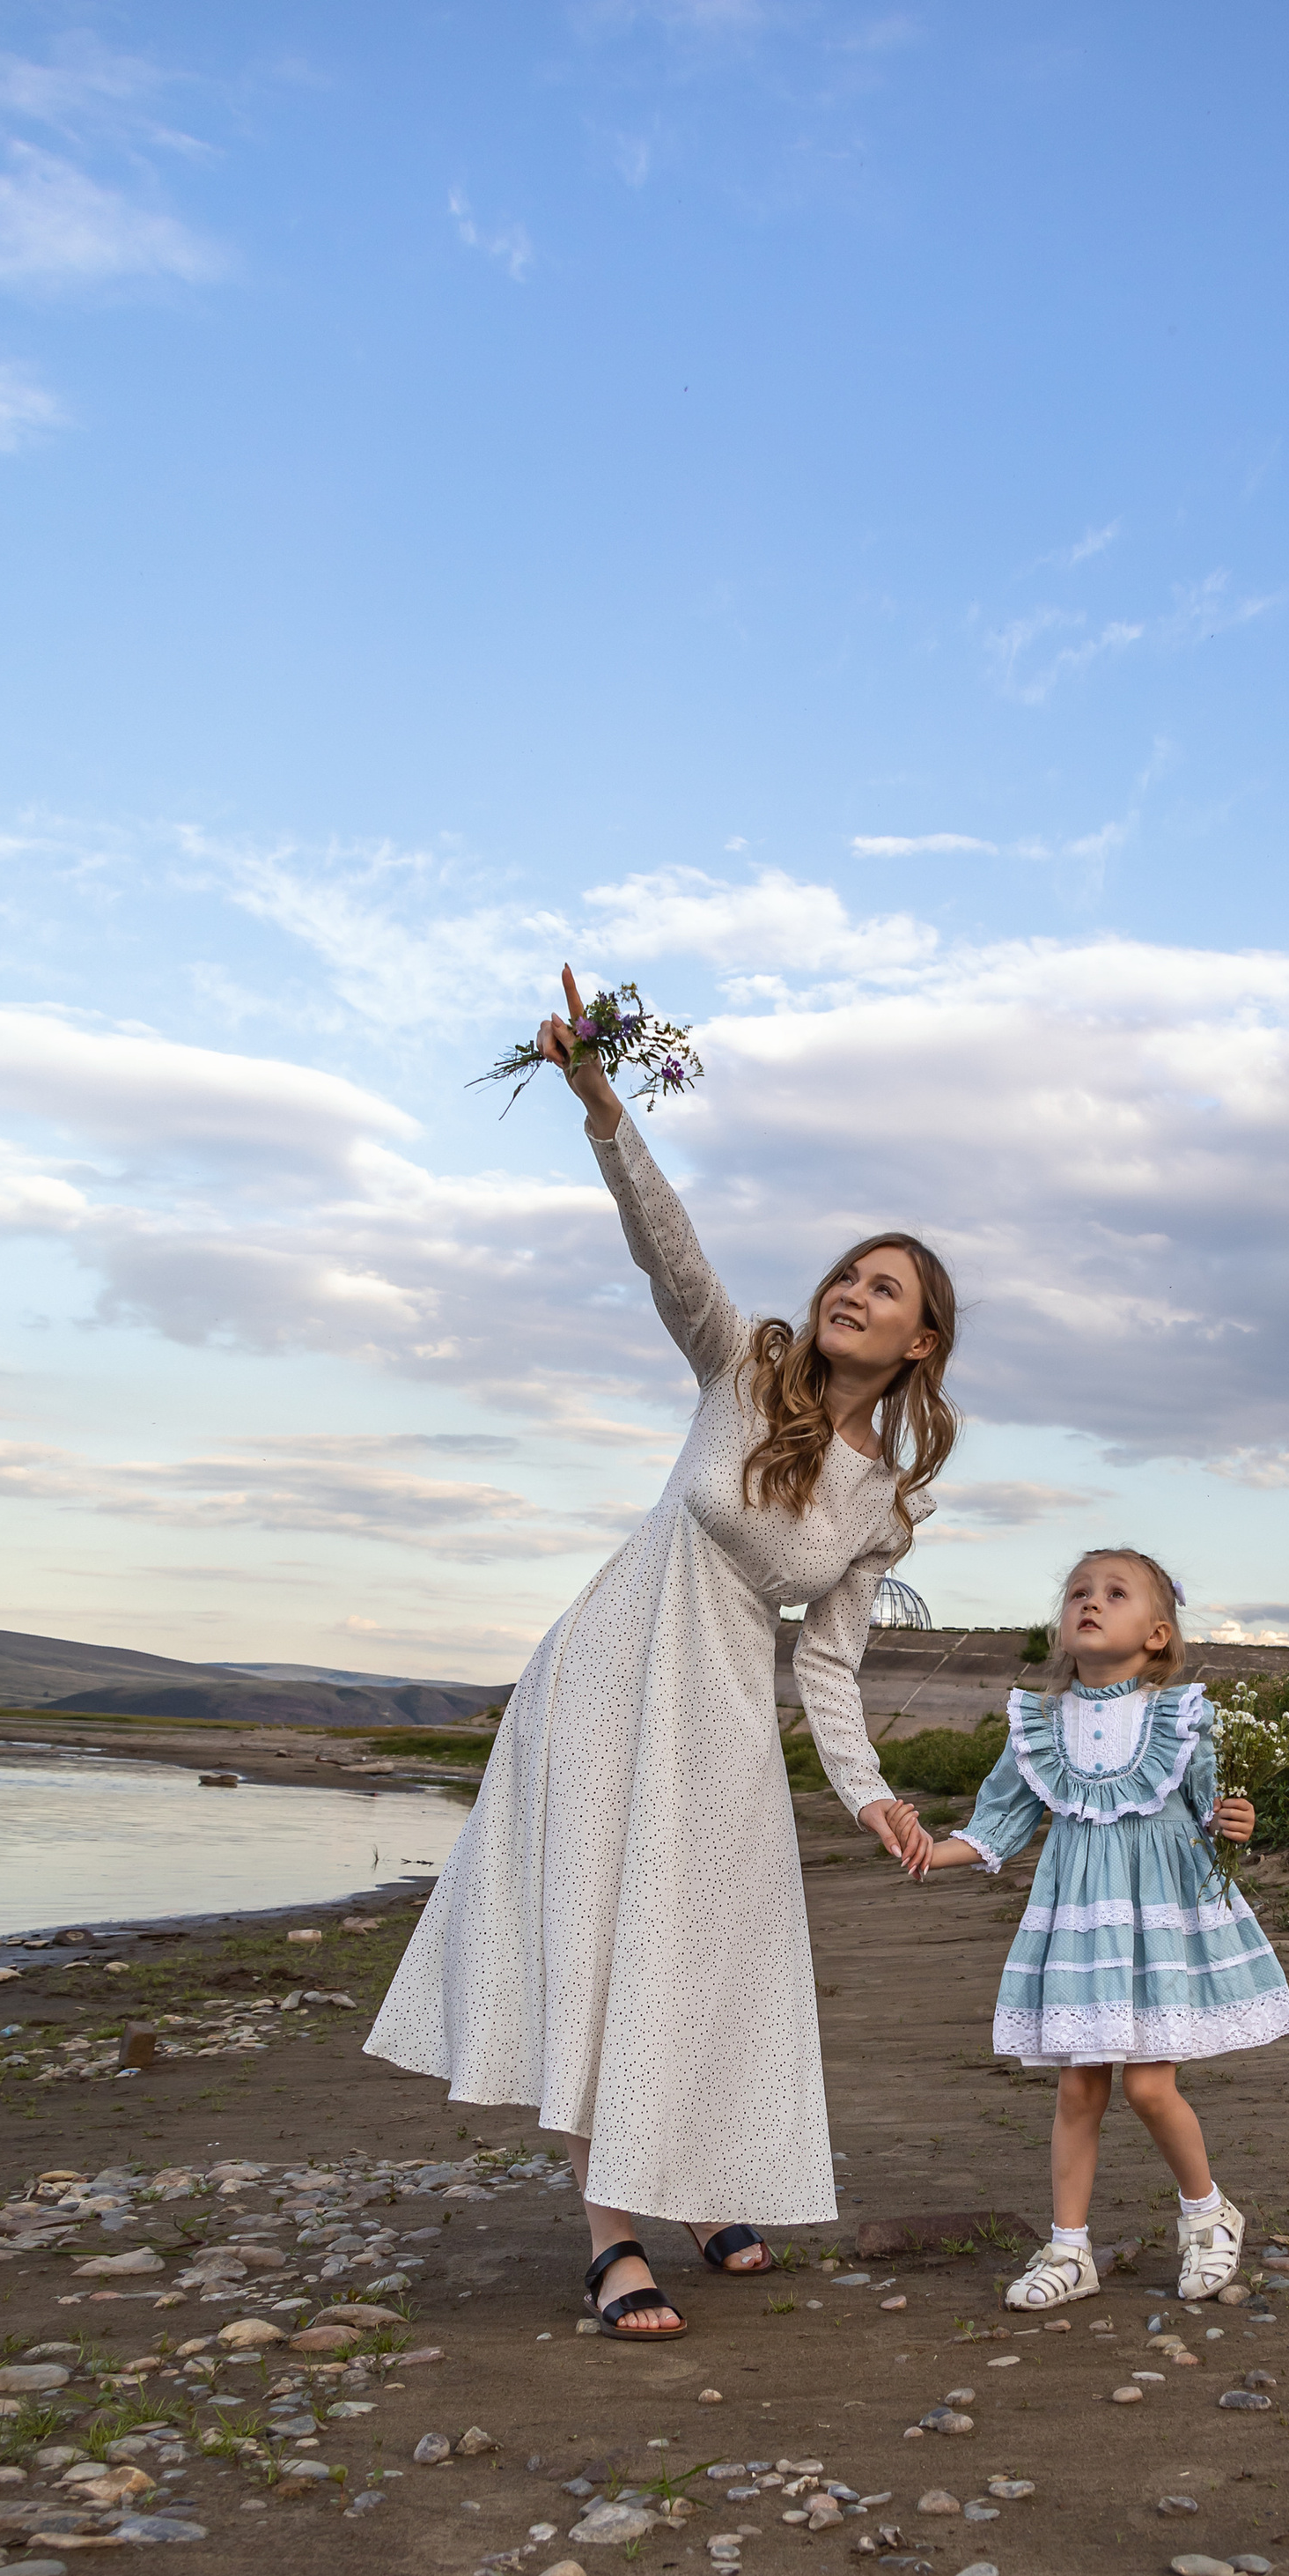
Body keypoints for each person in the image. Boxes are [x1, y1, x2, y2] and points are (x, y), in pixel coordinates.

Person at [365, 966, 956, 2338]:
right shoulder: (742, 1370)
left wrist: (869, 1793)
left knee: (703, 1958)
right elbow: (668, 1249)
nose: (853, 1294)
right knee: (603, 1947)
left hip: (722, 1729)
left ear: (922, 1342)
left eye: (887, 1289)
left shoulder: (883, 1505)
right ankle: (611, 2233)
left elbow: (827, 1668)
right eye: (848, 1275)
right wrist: (597, 1100)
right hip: (604, 1681)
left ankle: (693, 2179)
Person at [906, 1546, 1289, 2307]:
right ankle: (1069, 2250)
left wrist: (1237, 1822)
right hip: (1081, 1931)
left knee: (1151, 2088)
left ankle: (1209, 2216)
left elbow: (1219, 1816)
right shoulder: (1039, 1724)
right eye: (1079, 1592)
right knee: (1078, 2091)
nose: (1090, 1601)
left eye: (1115, 1593)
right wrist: (930, 1851)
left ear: (1156, 1633)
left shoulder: (1179, 1716)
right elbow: (997, 1826)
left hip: (1157, 1928)